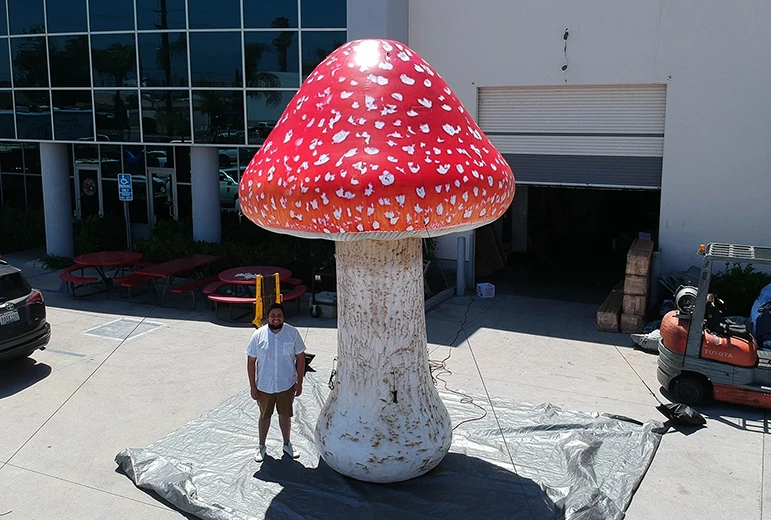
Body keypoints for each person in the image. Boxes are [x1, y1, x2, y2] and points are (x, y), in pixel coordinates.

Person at [246, 303, 306, 462]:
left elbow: (300, 358)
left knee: (285, 415)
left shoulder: (292, 333)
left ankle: (287, 443)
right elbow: (251, 361)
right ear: (268, 317)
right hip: (264, 386)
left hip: (286, 384)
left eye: (279, 315)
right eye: (272, 315)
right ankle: (261, 446)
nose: (276, 318)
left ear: (283, 317)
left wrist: (299, 383)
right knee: (264, 416)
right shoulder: (258, 335)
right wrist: (253, 386)